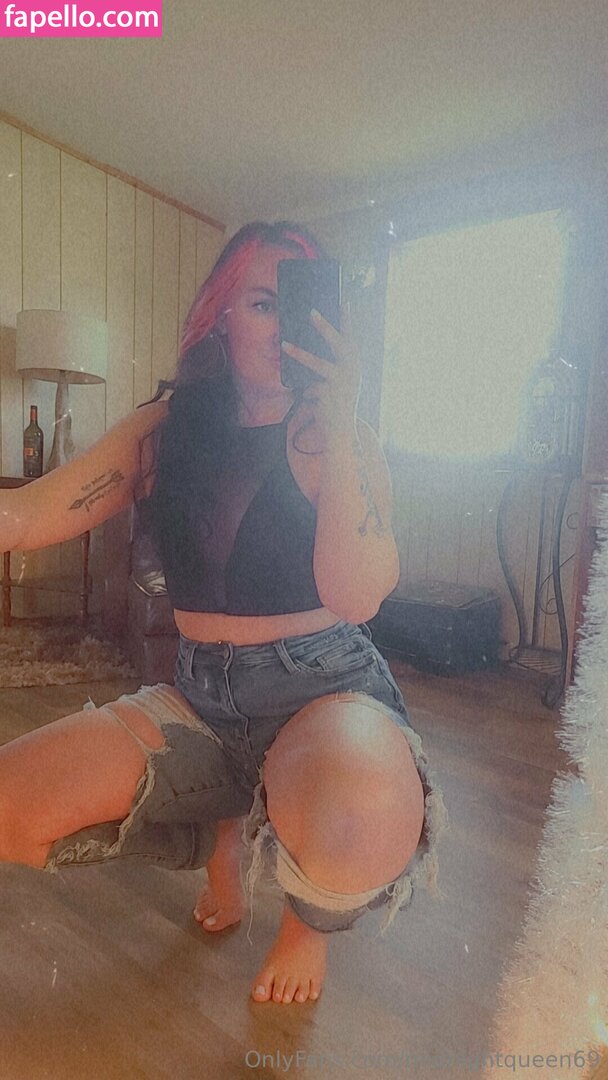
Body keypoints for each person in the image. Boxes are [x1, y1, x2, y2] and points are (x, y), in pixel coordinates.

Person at [0, 221, 447, 1005]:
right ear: (222, 315)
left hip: (322, 690)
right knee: (13, 810)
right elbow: (30, 515)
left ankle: (305, 928)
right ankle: (214, 826)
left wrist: (341, 422)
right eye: (263, 303)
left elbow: (357, 597)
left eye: (299, 309)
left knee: (364, 816)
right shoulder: (165, 430)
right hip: (199, 696)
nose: (283, 329)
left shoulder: (340, 438)